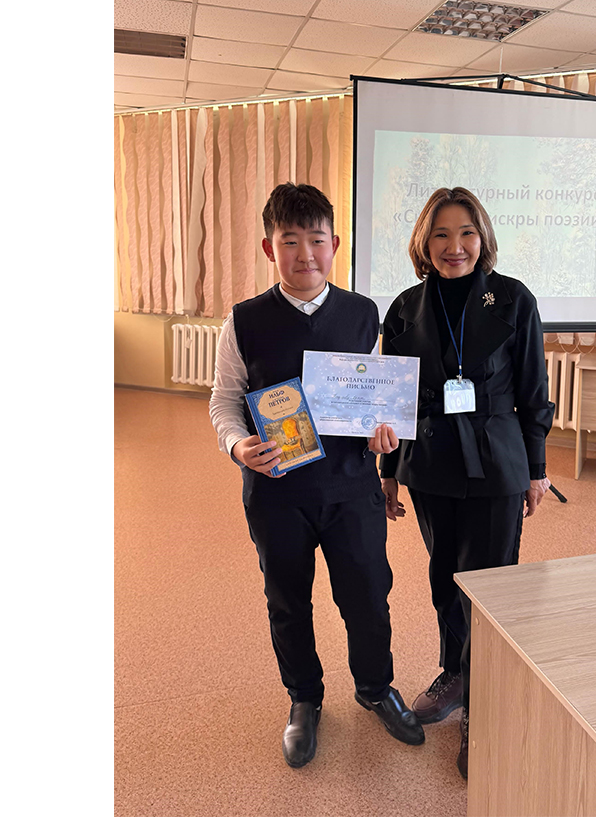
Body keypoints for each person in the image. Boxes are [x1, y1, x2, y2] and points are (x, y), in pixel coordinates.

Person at [209, 182, 423, 769]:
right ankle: (304, 697)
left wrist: (383, 432)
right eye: (290, 242)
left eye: (317, 240)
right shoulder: (244, 321)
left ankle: (375, 687)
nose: (305, 254)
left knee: (368, 594)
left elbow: (375, 397)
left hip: (351, 486)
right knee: (287, 599)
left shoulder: (363, 313)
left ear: (335, 244)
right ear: (268, 247)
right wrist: (238, 446)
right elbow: (224, 399)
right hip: (277, 492)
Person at [378, 186, 554, 779]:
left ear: (483, 238)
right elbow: (392, 400)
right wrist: (388, 473)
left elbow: (533, 391)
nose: (455, 247)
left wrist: (536, 469)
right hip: (430, 463)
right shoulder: (404, 308)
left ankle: (484, 700)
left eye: (466, 233)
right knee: (445, 577)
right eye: (441, 235)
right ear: (423, 244)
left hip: (497, 460)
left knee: (491, 586)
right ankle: (455, 672)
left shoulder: (514, 299)